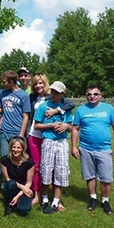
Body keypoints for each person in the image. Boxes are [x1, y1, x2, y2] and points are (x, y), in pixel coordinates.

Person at [71, 85, 114, 215]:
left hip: (104, 149)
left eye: (95, 94)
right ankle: (93, 198)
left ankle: (105, 201)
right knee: (89, 175)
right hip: (86, 148)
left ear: (100, 95)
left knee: (106, 177)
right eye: (89, 94)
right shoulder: (81, 110)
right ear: (86, 96)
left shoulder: (109, 109)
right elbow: (75, 129)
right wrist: (73, 146)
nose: (92, 96)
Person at [28, 73, 75, 207]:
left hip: (61, 141)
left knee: (60, 169)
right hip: (44, 139)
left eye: (57, 92)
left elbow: (71, 127)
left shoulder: (65, 107)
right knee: (44, 169)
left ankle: (56, 200)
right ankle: (43, 197)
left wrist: (65, 125)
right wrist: (51, 125)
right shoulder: (41, 104)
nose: (54, 94)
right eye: (53, 91)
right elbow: (36, 124)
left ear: (62, 94)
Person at [0, 70, 31, 171]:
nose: (2, 84)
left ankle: (16, 181)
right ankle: (6, 182)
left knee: (17, 159)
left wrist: (21, 135)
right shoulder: (3, 93)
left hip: (17, 132)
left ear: (12, 82)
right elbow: (2, 110)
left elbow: (26, 116)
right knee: (5, 159)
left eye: (4, 82)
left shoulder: (24, 95)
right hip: (4, 131)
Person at [1, 136, 34, 216]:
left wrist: (18, 196)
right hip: (11, 186)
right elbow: (8, 179)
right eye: (14, 147)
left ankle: (16, 201)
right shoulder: (4, 160)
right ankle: (8, 206)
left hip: (25, 189)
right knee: (11, 183)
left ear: (23, 149)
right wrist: (21, 186)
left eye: (18, 148)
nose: (16, 150)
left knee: (23, 210)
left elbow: (29, 183)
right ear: (10, 148)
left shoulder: (29, 163)